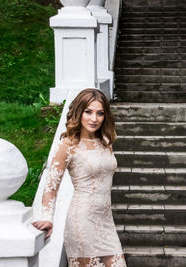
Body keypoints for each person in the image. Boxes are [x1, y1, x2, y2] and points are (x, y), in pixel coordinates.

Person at [32, 88, 126, 267]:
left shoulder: (106, 142)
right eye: (88, 112)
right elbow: (51, 186)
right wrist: (47, 217)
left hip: (106, 221)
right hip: (82, 221)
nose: (94, 118)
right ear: (78, 112)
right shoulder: (68, 145)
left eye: (100, 113)